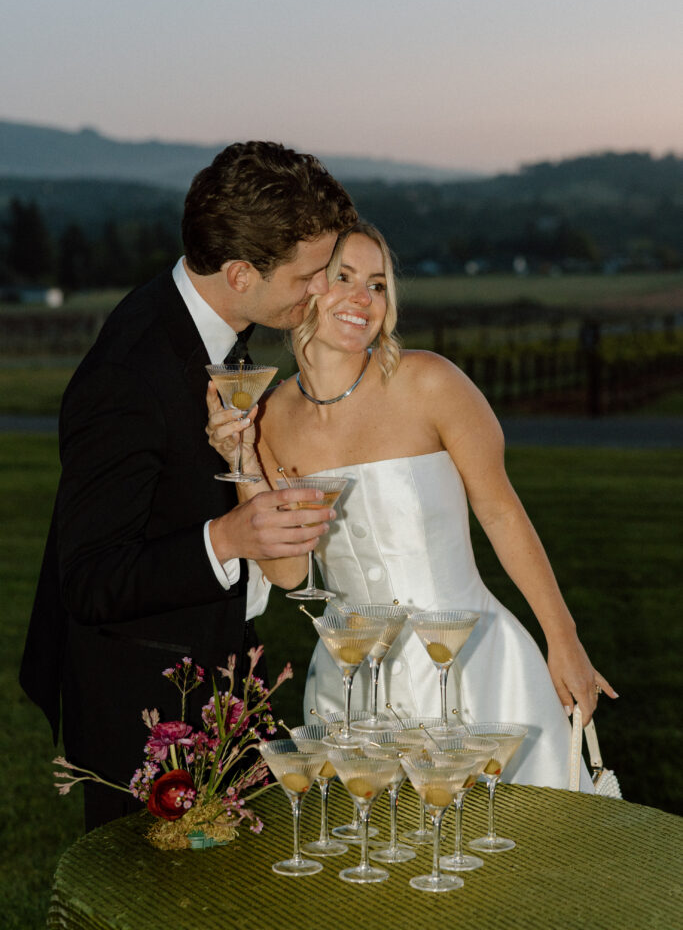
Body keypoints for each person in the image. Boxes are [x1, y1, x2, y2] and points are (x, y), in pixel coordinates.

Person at [206, 220, 618, 791]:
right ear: (305, 290)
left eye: (377, 284)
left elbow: (501, 512)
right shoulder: (272, 416)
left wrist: (564, 638)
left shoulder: (430, 383)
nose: (362, 298)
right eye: (342, 277)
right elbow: (287, 571)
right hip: (349, 686)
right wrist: (244, 457)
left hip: (475, 672)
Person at [19, 141, 357, 830]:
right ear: (238, 272)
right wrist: (228, 537)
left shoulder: (211, 331)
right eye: (309, 276)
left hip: (217, 680)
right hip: (146, 713)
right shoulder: (128, 375)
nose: (323, 290)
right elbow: (87, 579)